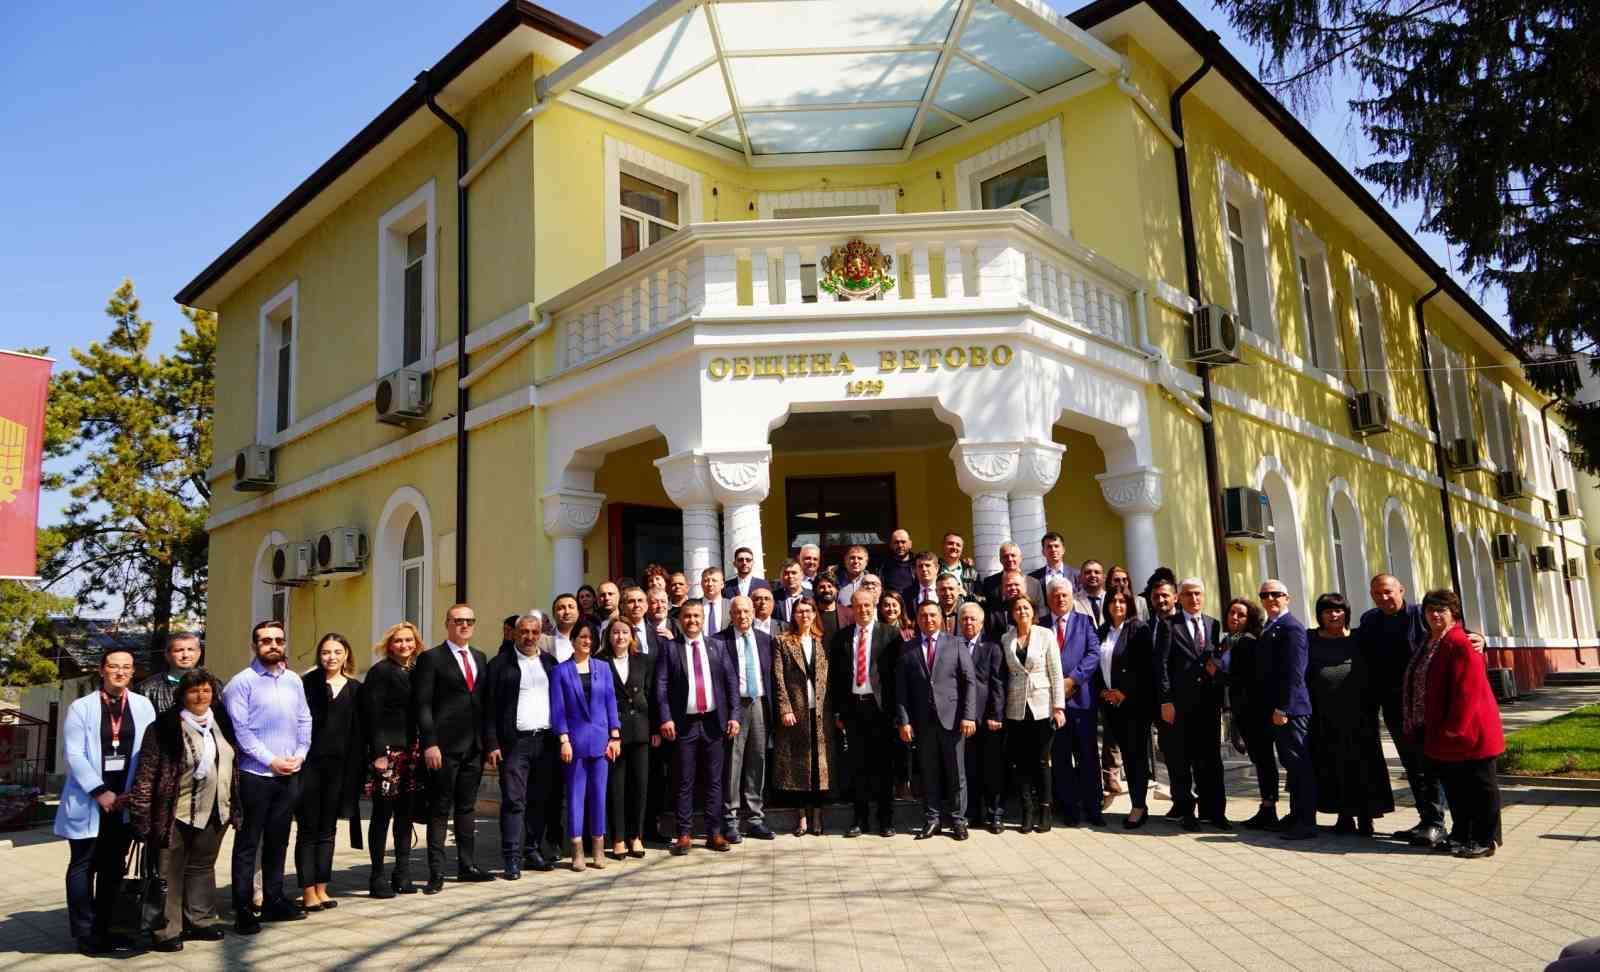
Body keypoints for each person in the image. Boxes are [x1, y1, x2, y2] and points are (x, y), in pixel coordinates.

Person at [129, 668, 238, 952]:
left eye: (206, 690)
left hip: (215, 810)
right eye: (193, 690)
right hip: (174, 813)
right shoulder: (164, 727)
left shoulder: (221, 722)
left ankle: (199, 921)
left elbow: (232, 764)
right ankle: (166, 930)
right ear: (182, 695)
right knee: (169, 871)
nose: (200, 695)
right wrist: (141, 817)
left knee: (202, 866)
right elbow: (147, 774)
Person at [57, 649, 158, 955]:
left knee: (113, 867)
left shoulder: (142, 705)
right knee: (83, 866)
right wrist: (100, 791)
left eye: (126, 667)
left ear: (132, 672)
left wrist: (134, 794)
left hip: (124, 800)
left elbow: (149, 751)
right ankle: (85, 933)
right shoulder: (81, 708)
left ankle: (108, 928)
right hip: (90, 799)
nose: (120, 672)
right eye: (113, 666)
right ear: (102, 670)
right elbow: (74, 754)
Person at [224, 621, 312, 933]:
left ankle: (274, 900)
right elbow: (241, 731)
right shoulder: (241, 683)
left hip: (290, 773)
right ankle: (244, 908)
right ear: (254, 646)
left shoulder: (293, 681)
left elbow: (304, 719)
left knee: (278, 840)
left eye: (278, 640)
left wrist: (300, 754)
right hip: (255, 775)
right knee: (248, 844)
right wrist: (271, 760)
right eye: (265, 640)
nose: (273, 645)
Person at [1408, 588, 1504, 858]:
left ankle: (1486, 839)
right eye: (1430, 610)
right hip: (1441, 730)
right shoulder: (1431, 640)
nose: (1435, 615)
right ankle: (1461, 834)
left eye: (1442, 610)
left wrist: (1454, 728)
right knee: (1456, 788)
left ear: (1454, 613)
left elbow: (1468, 691)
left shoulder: (1461, 642)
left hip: (1469, 731)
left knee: (1480, 788)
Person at [1357, 573, 1447, 845]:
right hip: (1393, 706)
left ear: (1401, 590)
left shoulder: (1421, 614)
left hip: (1422, 704)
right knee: (1411, 764)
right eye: (1377, 593)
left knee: (1429, 763)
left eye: (1388, 592)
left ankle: (1436, 823)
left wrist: (1478, 638)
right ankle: (1425, 819)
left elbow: (1450, 634)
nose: (1383, 598)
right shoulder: (1370, 620)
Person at [413, 604, 493, 892]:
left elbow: (484, 704)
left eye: (470, 620)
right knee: (439, 809)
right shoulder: (431, 658)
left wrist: (489, 744)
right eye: (458, 621)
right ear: (447, 624)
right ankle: (436, 872)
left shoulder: (480, 658)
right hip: (443, 748)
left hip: (473, 746)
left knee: (467, 807)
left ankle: (467, 865)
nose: (464, 625)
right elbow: (422, 705)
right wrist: (430, 743)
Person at [656, 600, 741, 854]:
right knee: (684, 781)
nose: (692, 620)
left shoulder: (718, 646)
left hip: (714, 723)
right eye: (687, 616)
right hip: (684, 724)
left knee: (715, 781)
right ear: (680, 619)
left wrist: (735, 715)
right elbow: (660, 686)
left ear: (703, 619)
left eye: (696, 616)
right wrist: (665, 717)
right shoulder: (670, 648)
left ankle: (714, 833)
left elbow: (731, 683)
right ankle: (684, 834)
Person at [1306, 593, 1393, 836]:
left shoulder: (1360, 637)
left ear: (1346, 613)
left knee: (1363, 766)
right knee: (1334, 766)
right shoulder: (1310, 638)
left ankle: (1366, 817)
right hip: (1324, 717)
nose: (1334, 615)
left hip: (1360, 716)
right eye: (1327, 611)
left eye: (1338, 610)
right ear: (1320, 615)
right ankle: (1344, 816)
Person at [483, 613, 559, 878]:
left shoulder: (550, 663)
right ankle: (511, 857)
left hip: (545, 742)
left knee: (540, 800)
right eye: (524, 632)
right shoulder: (500, 665)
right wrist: (492, 743)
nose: (529, 637)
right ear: (514, 634)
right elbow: (489, 708)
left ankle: (532, 850)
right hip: (514, 744)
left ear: (541, 634)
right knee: (514, 801)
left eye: (534, 632)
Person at [295, 634, 363, 912]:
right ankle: (307, 890)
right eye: (325, 652)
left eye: (337, 651)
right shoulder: (306, 685)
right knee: (308, 830)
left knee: (329, 830)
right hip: (309, 766)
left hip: (340, 769)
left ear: (346, 654)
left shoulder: (356, 689)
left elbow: (359, 734)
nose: (331, 657)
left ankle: (322, 887)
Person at [898, 600, 976, 840]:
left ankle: (957, 820)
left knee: (956, 773)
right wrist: (904, 721)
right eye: (923, 616)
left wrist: (968, 715)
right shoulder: (908, 648)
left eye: (933, 615)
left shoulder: (956, 643)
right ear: (917, 619)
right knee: (929, 773)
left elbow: (969, 682)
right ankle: (932, 820)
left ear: (941, 618)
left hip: (952, 720)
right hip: (923, 722)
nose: (928, 620)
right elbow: (901, 689)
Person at [830, 587, 902, 838]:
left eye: (867, 606)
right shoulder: (842, 637)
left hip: (881, 709)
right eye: (858, 606)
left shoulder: (891, 635)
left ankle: (886, 820)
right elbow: (837, 679)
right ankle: (859, 819)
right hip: (853, 709)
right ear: (851, 608)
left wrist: (897, 713)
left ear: (874, 607)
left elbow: (897, 677)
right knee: (857, 767)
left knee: (884, 767)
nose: (862, 610)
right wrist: (838, 712)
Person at [1158, 578, 1227, 831]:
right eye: (1188, 594)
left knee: (1210, 761)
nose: (1194, 599)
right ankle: (1187, 812)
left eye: (1198, 594)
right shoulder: (1169, 626)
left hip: (1207, 705)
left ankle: (1216, 813)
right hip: (1179, 705)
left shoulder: (1213, 624)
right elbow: (1162, 665)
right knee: (1181, 761)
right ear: (1178, 597)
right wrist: (1166, 700)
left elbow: (1217, 661)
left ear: (1204, 596)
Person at [550, 624, 621, 870]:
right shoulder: (560, 671)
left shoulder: (603, 668)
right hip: (575, 744)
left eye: (590, 637)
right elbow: (557, 709)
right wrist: (564, 740)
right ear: (573, 640)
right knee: (575, 797)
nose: (587, 641)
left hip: (602, 742)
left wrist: (615, 735)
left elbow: (611, 701)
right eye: (582, 637)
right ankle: (577, 849)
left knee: (599, 795)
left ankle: (599, 848)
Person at [360, 622, 424, 897]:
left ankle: (403, 873)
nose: (404, 645)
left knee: (405, 815)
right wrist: (377, 754)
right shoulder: (380, 672)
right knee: (382, 815)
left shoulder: (417, 670)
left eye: (409, 640)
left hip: (412, 751)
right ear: (389, 644)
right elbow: (370, 714)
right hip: (388, 752)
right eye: (398, 640)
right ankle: (377, 877)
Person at [1257, 579, 1316, 840]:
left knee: (1299, 765)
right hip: (1278, 707)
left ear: (1287, 598)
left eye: (1276, 595)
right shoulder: (1271, 625)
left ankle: (1306, 821)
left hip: (1290, 709)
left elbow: (1295, 672)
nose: (1270, 599)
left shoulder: (1291, 627)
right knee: (1290, 765)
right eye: (1265, 595)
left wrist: (1284, 707)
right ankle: (1295, 815)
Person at [1042, 578, 1104, 826]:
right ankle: (1069, 809)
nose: (1060, 599)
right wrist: (1057, 686)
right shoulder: (1042, 625)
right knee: (1060, 757)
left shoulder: (1084, 622)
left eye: (1064, 595)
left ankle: (1093, 807)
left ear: (1071, 598)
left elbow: (1094, 654)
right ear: (1049, 599)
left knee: (1088, 756)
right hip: (1052, 703)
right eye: (1055, 595)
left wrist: (1073, 680)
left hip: (1081, 700)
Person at [1000, 595, 1065, 832]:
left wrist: (1058, 707)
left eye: (1026, 607)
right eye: (1017, 608)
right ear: (1012, 613)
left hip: (1042, 705)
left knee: (1042, 760)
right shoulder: (1005, 638)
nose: (1022, 611)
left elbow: (1056, 673)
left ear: (1033, 611)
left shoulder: (1045, 635)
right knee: (1021, 761)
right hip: (1016, 707)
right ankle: (1027, 811)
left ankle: (1045, 809)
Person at [772, 598, 834, 836]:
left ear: (814, 614)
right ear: (794, 615)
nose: (804, 615)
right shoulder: (782, 641)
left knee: (820, 767)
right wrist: (785, 708)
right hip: (795, 712)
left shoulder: (821, 641)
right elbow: (778, 678)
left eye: (809, 611)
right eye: (800, 611)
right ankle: (802, 819)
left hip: (819, 712)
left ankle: (817, 815)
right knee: (797, 766)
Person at [1096, 591, 1156, 829]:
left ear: (1129, 604)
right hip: (1109, 704)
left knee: (1135, 757)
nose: (1117, 605)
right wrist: (1103, 691)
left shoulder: (1139, 629)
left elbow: (1143, 667)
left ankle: (1139, 806)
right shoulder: (1102, 631)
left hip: (1133, 704)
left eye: (1122, 601)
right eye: (1113, 601)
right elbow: (1095, 663)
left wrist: (1123, 691)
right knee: (1118, 754)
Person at [718, 595, 775, 842]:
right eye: (737, 612)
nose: (742, 616)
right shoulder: (720, 641)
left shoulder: (765, 640)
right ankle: (730, 819)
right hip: (735, 707)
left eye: (746, 611)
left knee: (757, 760)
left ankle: (754, 819)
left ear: (754, 613)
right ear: (731, 615)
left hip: (760, 703)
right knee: (733, 762)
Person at [599, 619, 655, 860]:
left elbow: (651, 693)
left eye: (624, 632)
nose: (620, 637)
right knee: (616, 787)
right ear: (608, 637)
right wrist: (610, 732)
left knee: (639, 786)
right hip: (614, 733)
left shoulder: (643, 660)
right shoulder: (600, 663)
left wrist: (654, 729)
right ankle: (619, 838)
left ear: (632, 636)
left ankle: (636, 836)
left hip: (641, 730)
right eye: (615, 633)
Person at [1220, 599, 1278, 830]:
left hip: (1255, 710)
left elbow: (1244, 678)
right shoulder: (1229, 641)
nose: (1234, 617)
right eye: (1232, 612)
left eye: (1240, 615)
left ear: (1250, 619)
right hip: (1241, 709)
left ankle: (1269, 807)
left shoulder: (1248, 642)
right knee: (1258, 758)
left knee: (1263, 759)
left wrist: (1216, 674)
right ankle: (1266, 807)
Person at [954, 602, 1004, 832]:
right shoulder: (953, 646)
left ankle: (995, 814)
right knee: (968, 768)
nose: (968, 622)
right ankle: (972, 814)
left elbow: (997, 684)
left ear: (982, 623)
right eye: (964, 618)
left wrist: (996, 714)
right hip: (960, 718)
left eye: (973, 619)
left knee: (991, 768)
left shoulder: (992, 647)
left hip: (987, 718)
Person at [135, 632, 205, 714]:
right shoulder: (146, 689)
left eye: (190, 649)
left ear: (199, 653)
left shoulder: (212, 686)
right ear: (167, 655)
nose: (185, 655)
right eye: (179, 650)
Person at [983, 543, 1044, 611]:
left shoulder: (1034, 583)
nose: (1010, 559)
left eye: (1013, 555)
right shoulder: (989, 583)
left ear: (1020, 558)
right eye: (1005, 556)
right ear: (1000, 560)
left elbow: (1040, 610)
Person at [936, 532, 979, 598]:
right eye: (950, 543)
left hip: (962, 607)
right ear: (943, 545)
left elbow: (981, 598)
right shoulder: (933, 568)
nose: (954, 547)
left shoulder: (972, 573)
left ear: (962, 549)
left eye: (958, 545)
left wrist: (967, 595)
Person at [875, 529, 917, 594]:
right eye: (896, 542)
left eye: (903, 542)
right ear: (891, 545)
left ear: (910, 544)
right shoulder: (882, 565)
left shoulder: (918, 563)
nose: (900, 545)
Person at [548, 593, 583, 663]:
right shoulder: (543, 641)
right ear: (554, 614)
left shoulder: (589, 639)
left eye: (571, 607)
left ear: (578, 613)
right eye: (561, 608)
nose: (567, 612)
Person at [835, 545, 870, 611]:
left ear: (866, 562)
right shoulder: (835, 581)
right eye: (852, 558)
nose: (856, 561)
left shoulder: (872, 583)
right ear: (845, 561)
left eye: (860, 558)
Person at [1074, 561, 1109, 626]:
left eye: (1097, 572)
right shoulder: (1072, 601)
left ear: (1104, 577)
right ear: (1079, 578)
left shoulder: (1112, 600)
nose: (1093, 575)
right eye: (1088, 572)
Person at [699, 566, 731, 636]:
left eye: (714, 580)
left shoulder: (731, 605)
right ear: (701, 584)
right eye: (706, 581)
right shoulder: (694, 605)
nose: (710, 584)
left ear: (722, 584)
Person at [773, 559, 807, 625]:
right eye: (786, 573)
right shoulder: (773, 598)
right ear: (781, 576)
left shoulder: (812, 596)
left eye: (794, 573)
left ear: (802, 575)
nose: (790, 576)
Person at [813, 572, 842, 641]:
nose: (826, 590)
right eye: (822, 587)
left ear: (837, 589)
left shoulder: (848, 614)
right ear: (815, 590)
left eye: (830, 586)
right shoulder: (810, 613)